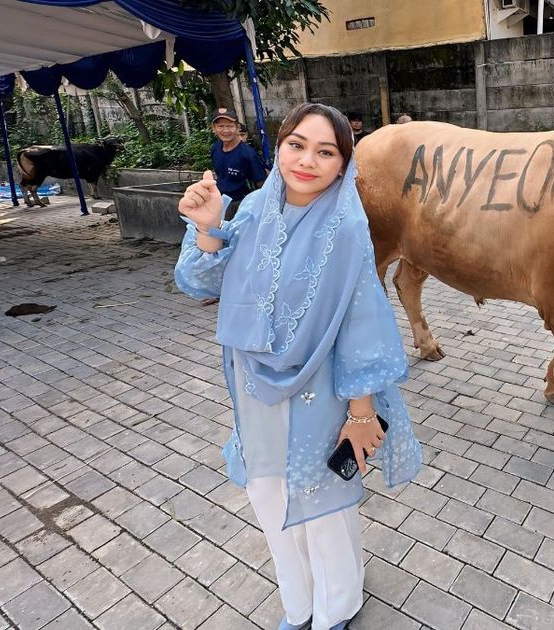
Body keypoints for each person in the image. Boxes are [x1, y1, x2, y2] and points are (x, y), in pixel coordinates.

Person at [175, 102, 423, 629]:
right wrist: (207, 228)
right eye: (297, 145)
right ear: (280, 148)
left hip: (321, 390)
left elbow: (361, 325)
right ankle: (299, 604)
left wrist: (361, 414)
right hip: (253, 388)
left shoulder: (347, 230)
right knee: (267, 493)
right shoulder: (251, 213)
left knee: (322, 501)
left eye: (325, 151)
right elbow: (200, 282)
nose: (307, 160)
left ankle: (338, 605)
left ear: (343, 164)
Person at [209, 107, 267, 221]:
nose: (225, 131)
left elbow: (261, 184)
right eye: (221, 126)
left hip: (242, 205)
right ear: (214, 128)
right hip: (221, 202)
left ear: (237, 127)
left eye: (229, 126)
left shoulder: (248, 154)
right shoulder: (215, 149)